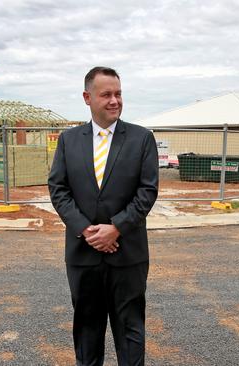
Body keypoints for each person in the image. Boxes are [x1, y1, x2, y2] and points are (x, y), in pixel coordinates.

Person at [48, 66, 159, 365]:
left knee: (130, 330)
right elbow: (58, 189)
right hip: (83, 255)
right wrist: (87, 231)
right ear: (87, 97)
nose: (115, 101)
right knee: (86, 330)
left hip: (128, 254)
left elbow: (147, 191)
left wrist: (116, 228)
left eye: (119, 94)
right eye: (106, 94)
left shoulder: (141, 138)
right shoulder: (69, 140)